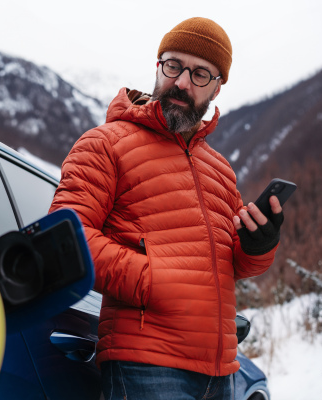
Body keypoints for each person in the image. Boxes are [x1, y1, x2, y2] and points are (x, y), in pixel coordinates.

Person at [49, 17, 284, 400]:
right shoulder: (105, 144)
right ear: (158, 66)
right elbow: (64, 239)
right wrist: (151, 279)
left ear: (217, 86)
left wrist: (259, 244)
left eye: (200, 73)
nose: (182, 82)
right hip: (145, 363)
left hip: (219, 371)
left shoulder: (221, 170)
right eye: (173, 65)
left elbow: (231, 265)